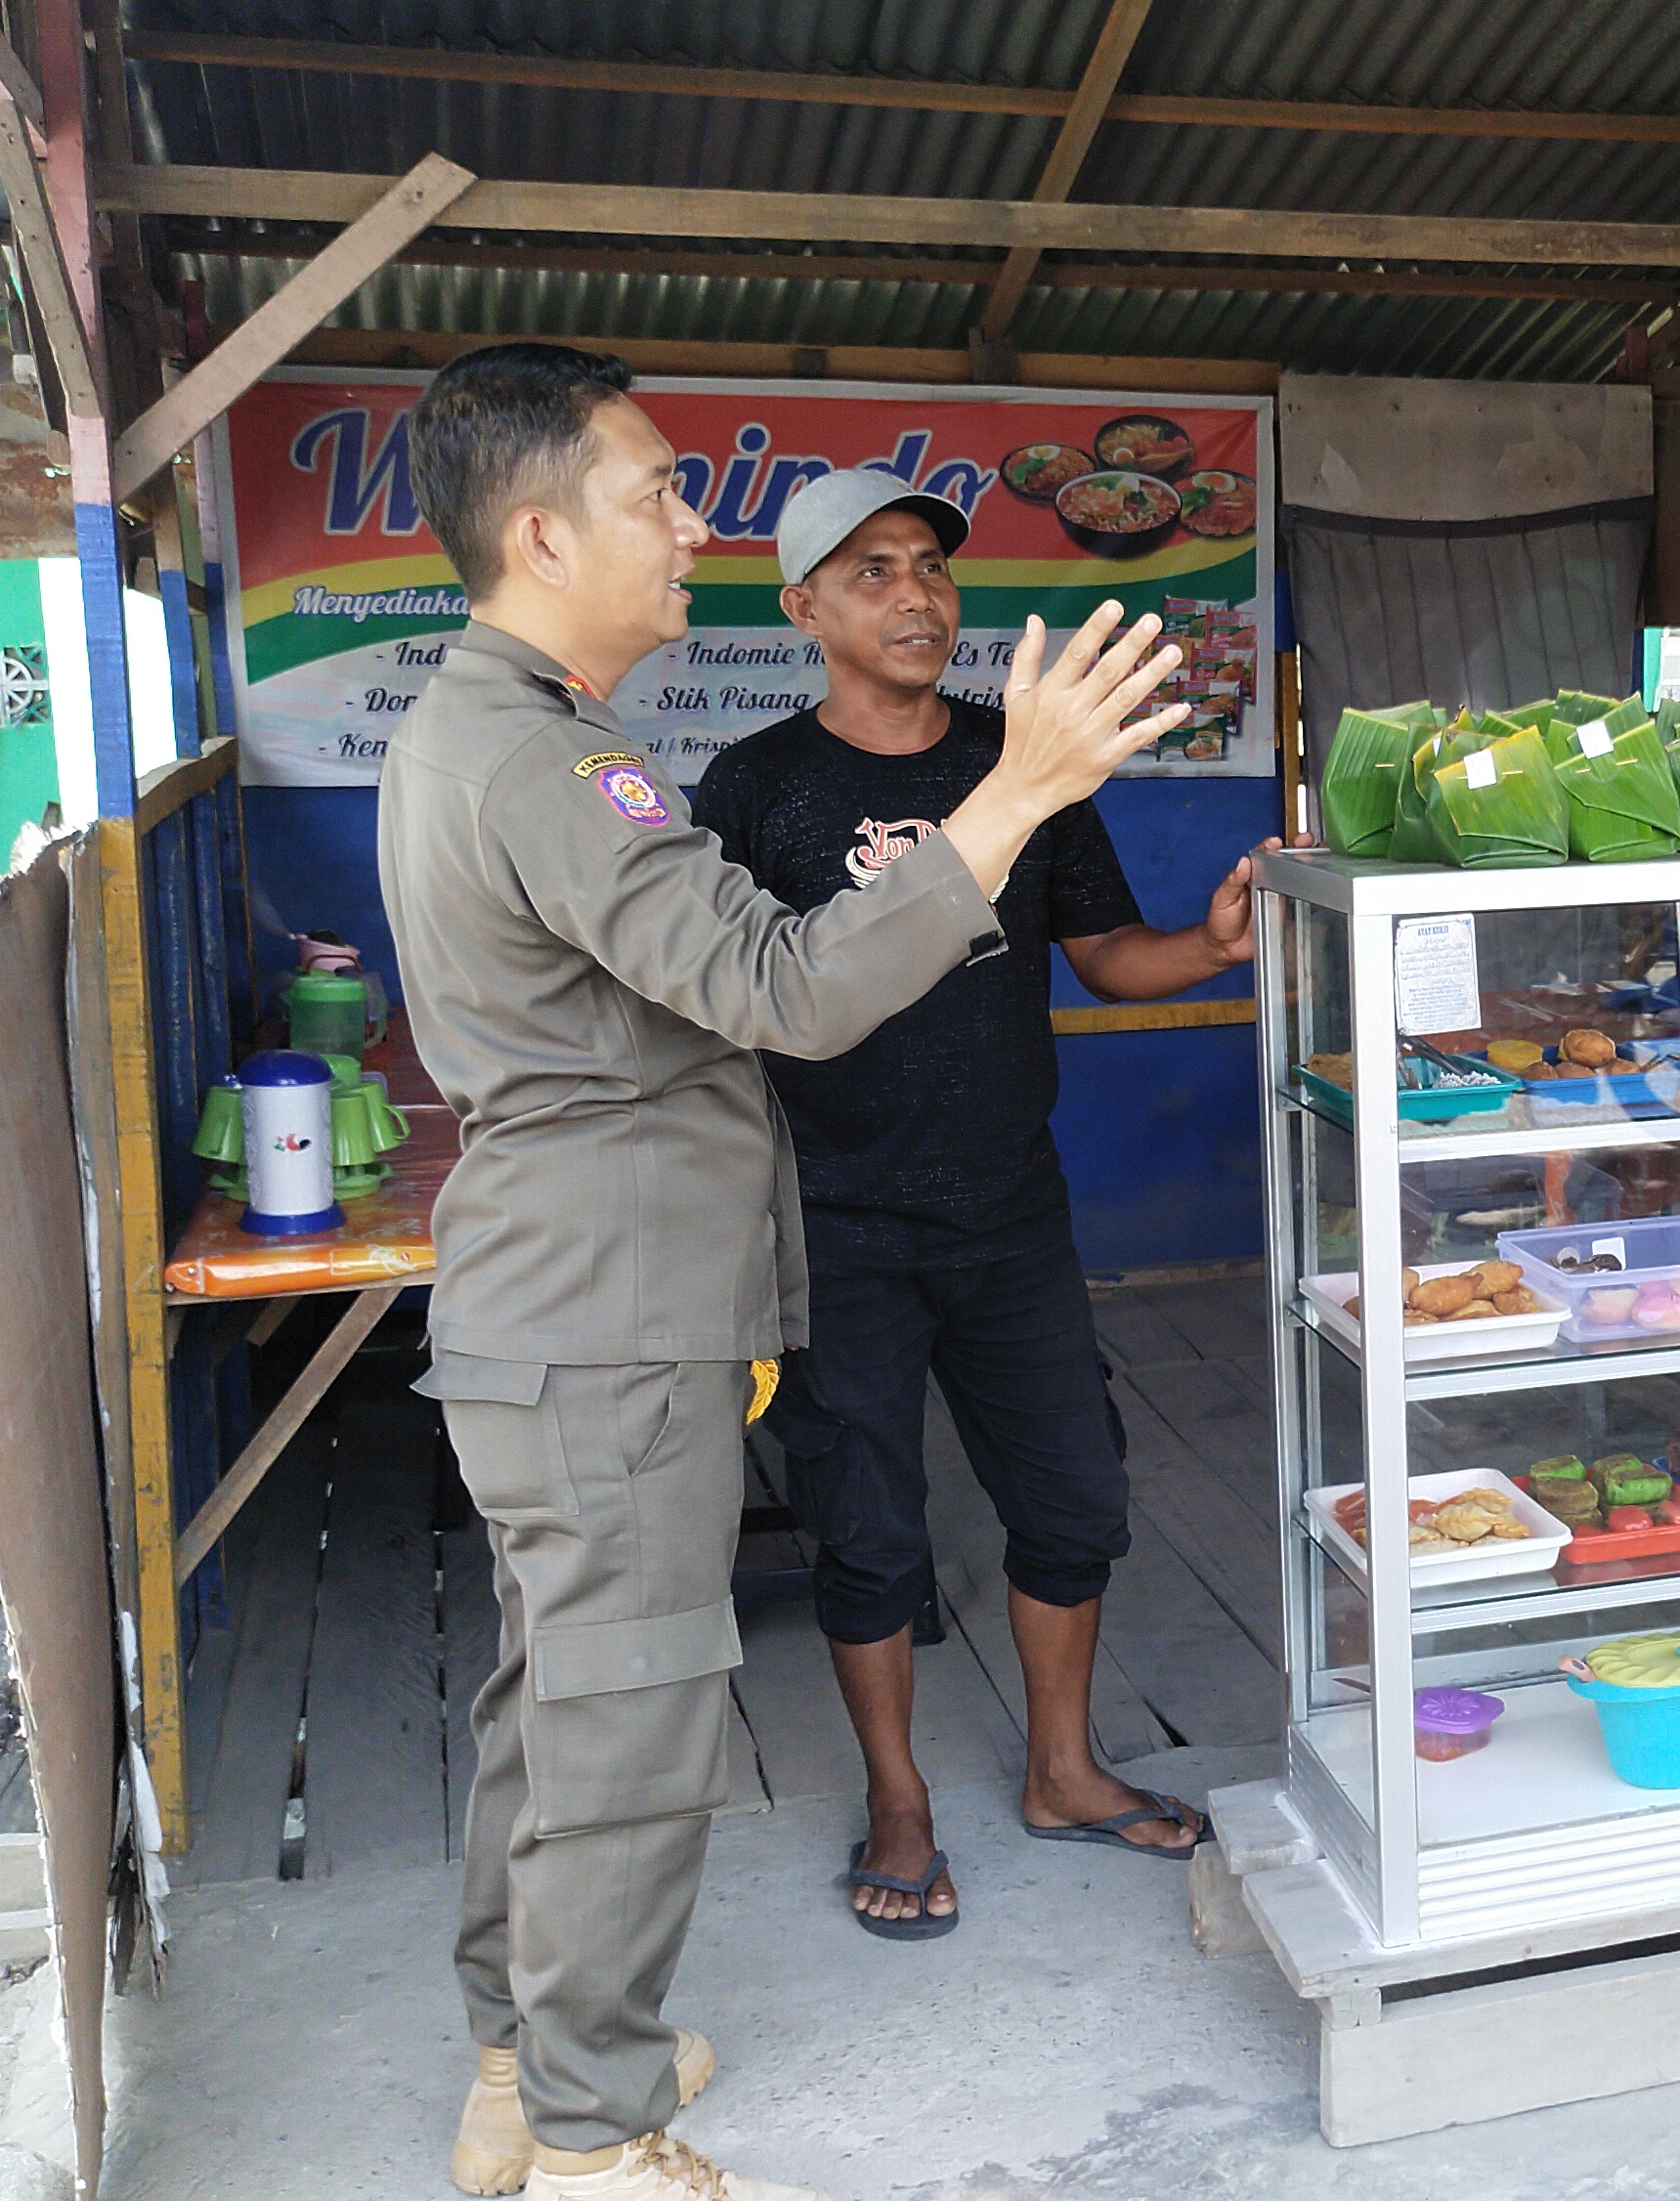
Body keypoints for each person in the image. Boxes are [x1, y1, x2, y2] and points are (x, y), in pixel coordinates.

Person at [379, 344, 1185, 2201]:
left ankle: (525, 2065)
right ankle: (592, 2135)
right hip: (608, 1317)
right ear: (539, 530)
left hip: (577, 1300)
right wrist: (1021, 789)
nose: (693, 524)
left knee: (560, 1706)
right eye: (658, 492)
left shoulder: (492, 730)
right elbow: (790, 987)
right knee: (634, 1720)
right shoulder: (551, 753)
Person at [690, 468, 1268, 1941]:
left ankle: (1063, 1768)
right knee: (867, 1527)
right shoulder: (754, 789)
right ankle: (897, 1795)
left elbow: (1108, 957)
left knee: (1075, 1500)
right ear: (804, 607)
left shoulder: (1029, 760)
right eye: (871, 571)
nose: (914, 594)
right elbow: (730, 1005)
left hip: (1013, 1213)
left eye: (932, 569)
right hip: (833, 1222)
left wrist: (1203, 946)